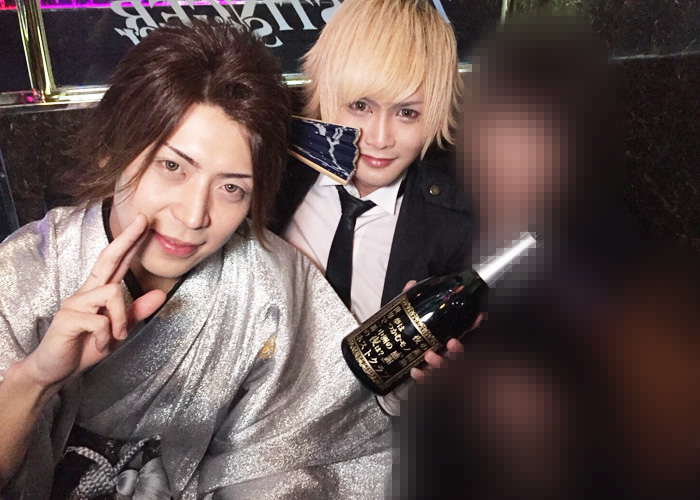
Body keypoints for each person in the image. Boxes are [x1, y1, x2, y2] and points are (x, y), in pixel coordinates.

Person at [0, 21, 391, 499]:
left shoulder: (269, 288)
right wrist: (35, 381)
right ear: (111, 150)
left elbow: (305, 459)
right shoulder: (23, 273)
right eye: (172, 167)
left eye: (231, 188)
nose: (193, 216)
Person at [397, 17, 700, 500]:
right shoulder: (430, 204)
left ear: (574, 148)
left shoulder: (612, 257)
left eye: (534, 134)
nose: (504, 155)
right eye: (493, 127)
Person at [270, 0, 473, 415]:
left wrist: (428, 385)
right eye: (360, 106)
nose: (379, 138)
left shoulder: (461, 226)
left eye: (407, 113)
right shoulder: (268, 175)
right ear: (325, 92)